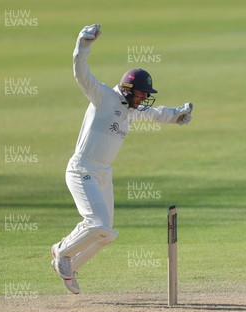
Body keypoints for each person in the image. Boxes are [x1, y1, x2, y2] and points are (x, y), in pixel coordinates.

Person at [50, 24, 193, 294]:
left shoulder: (130, 110)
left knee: (106, 234)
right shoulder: (104, 97)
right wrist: (83, 44)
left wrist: (176, 114)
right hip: (82, 171)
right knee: (96, 224)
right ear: (127, 89)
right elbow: (81, 73)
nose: (143, 100)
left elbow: (154, 114)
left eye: (145, 96)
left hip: (103, 174)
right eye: (140, 94)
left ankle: (69, 262)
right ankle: (62, 252)